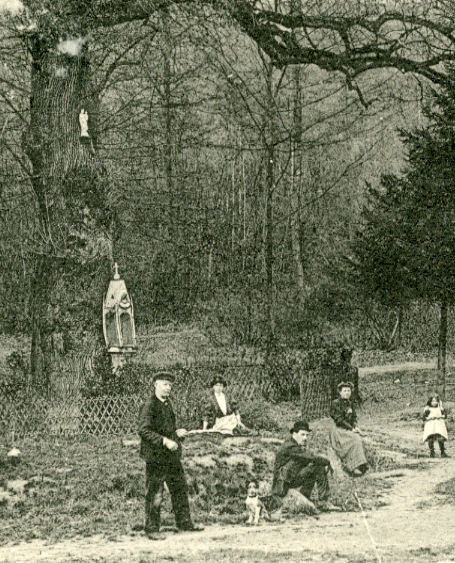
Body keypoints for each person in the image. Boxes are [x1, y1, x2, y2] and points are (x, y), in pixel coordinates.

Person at [138, 371, 204, 540]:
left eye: (170, 385)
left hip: (171, 457)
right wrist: (165, 441)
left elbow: (165, 428)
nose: (168, 388)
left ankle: (184, 523)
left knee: (180, 488)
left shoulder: (167, 404)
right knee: (155, 493)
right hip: (156, 457)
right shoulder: (149, 405)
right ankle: (152, 529)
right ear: (156, 385)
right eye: (164, 384)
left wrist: (176, 433)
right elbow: (144, 430)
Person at [271, 420, 340, 512]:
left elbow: (308, 457)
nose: (305, 438)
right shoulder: (290, 447)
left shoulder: (293, 444)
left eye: (307, 435)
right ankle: (324, 503)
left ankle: (306, 497)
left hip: (288, 480)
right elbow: (310, 457)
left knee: (312, 468)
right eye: (302, 435)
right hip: (282, 485)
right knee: (318, 467)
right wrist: (328, 462)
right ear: (294, 433)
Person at [330, 381, 368, 477]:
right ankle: (353, 467)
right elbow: (339, 420)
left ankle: (360, 465)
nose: (347, 393)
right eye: (345, 391)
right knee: (356, 439)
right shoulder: (335, 403)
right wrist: (351, 429)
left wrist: (356, 427)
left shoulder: (350, 403)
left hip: (348, 429)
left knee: (359, 437)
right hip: (339, 430)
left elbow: (353, 418)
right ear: (340, 392)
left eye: (349, 391)